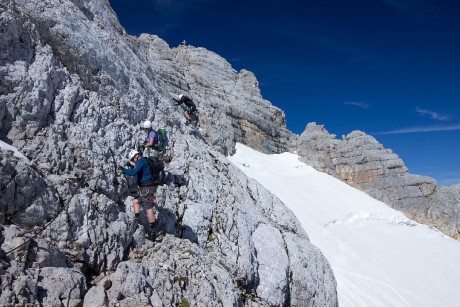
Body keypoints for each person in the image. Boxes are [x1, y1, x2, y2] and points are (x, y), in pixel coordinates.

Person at [121, 149, 158, 235]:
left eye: (133, 159)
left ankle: (153, 229)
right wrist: (130, 166)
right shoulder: (143, 161)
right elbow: (139, 170)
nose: (133, 161)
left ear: (136, 156)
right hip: (146, 187)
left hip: (147, 187)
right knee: (136, 201)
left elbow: (134, 172)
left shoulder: (141, 161)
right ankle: (137, 219)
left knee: (148, 208)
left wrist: (123, 170)